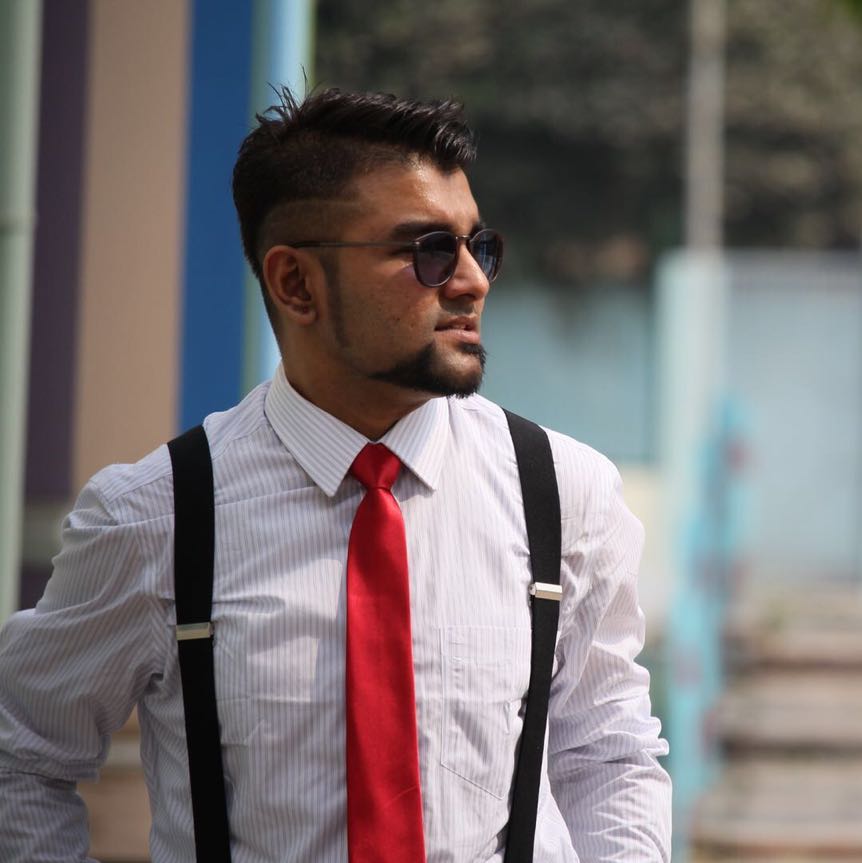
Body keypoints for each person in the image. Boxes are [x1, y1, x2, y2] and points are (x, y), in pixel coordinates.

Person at [0, 88, 671, 862]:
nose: (472, 281)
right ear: (296, 284)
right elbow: (21, 756)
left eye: (477, 245)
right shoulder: (158, 516)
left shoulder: (561, 494)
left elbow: (607, 753)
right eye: (428, 250)